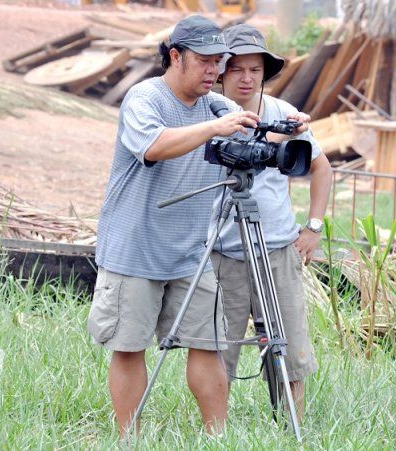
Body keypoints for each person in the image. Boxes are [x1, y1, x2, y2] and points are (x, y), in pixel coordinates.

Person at [87, 15, 261, 437]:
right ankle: (131, 437)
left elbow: (248, 131)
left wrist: (286, 128)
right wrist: (216, 128)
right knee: (129, 348)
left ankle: (217, 437)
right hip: (135, 248)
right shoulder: (143, 98)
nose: (214, 72)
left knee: (209, 344)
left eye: (219, 62)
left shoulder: (216, 105)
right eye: (204, 61)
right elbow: (155, 146)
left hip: (191, 252)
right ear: (176, 56)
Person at [209, 24, 333, 420]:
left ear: (265, 72)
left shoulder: (284, 114)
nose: (246, 78)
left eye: (255, 70)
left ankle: (290, 424)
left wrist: (313, 228)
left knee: (290, 343)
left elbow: (321, 169)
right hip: (222, 248)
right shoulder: (207, 112)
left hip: (277, 247)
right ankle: (217, 429)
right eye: (237, 69)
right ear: (222, 71)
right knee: (219, 347)